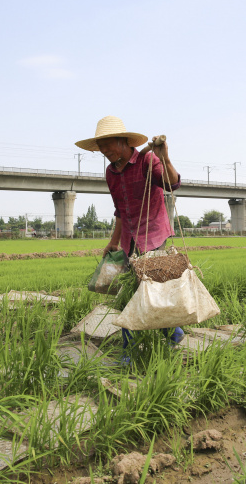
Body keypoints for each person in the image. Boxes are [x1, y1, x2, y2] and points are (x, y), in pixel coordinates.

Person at [75, 115, 185, 359]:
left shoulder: (147, 159)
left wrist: (164, 157)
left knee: (147, 290)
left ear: (123, 141)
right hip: (128, 237)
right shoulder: (111, 172)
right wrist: (113, 241)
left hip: (153, 233)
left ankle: (149, 341)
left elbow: (171, 184)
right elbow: (120, 209)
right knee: (131, 291)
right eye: (100, 147)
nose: (104, 151)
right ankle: (162, 336)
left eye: (107, 145)